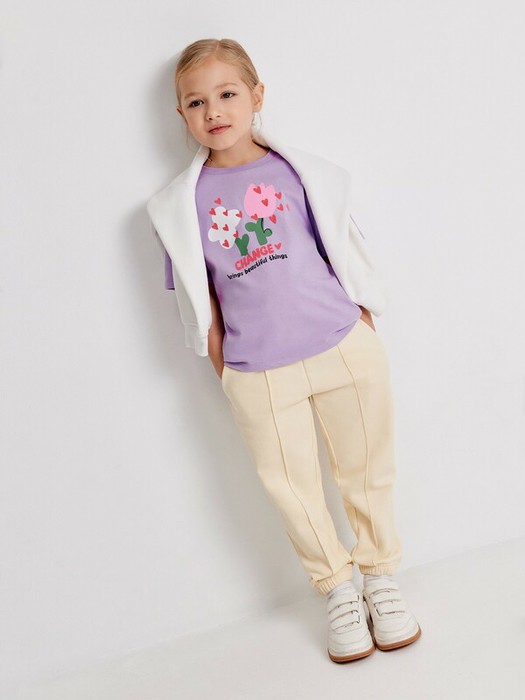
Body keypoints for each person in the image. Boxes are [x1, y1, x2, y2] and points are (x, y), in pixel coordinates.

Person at [147, 37, 422, 663]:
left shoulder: (300, 173)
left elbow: (340, 249)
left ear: (257, 96)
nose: (214, 110)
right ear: (181, 114)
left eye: (227, 93)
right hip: (259, 371)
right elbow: (198, 295)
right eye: (196, 101)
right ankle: (338, 589)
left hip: (341, 345)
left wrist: (361, 320)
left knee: (367, 469)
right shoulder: (179, 206)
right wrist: (227, 368)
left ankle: (379, 577)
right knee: (291, 488)